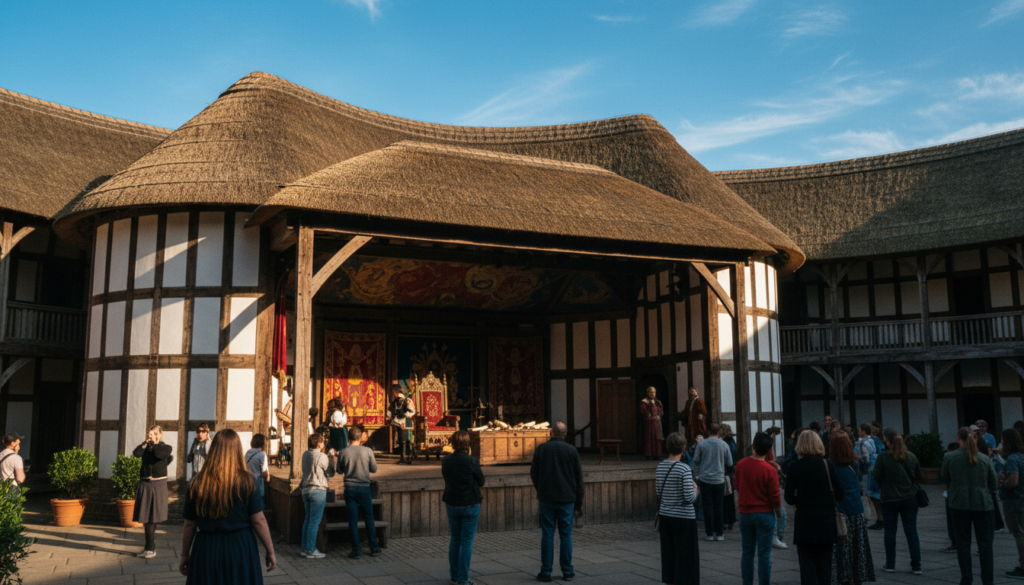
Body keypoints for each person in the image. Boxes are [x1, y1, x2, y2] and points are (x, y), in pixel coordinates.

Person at [179, 429, 277, 583]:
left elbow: (189, 524)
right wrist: (270, 551)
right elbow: (259, 520)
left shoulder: (198, 483)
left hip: (206, 548)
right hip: (240, 547)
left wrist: (185, 555)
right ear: (237, 450)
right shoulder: (247, 482)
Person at [785, 430, 843, 585]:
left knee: (807, 567)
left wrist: (802, 499)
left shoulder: (795, 467)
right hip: (826, 520)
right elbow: (840, 494)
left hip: (805, 520)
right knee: (825, 566)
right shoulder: (827, 464)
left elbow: (789, 498)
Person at [942, 426, 998, 585]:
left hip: (959, 503)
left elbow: (944, 477)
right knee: (985, 544)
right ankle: (988, 580)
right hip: (983, 503)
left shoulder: (949, 457)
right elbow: (993, 485)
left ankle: (966, 579)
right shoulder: (985, 459)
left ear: (958, 438)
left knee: (963, 543)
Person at [530, 422, 583, 582]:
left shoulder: (542, 449)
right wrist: (578, 502)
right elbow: (578, 478)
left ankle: (546, 572)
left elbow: (534, 472)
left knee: (547, 534)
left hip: (547, 498)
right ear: (565, 434)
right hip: (567, 499)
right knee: (566, 535)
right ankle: (567, 571)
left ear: (551, 432)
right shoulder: (572, 450)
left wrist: (541, 489)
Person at [872, 428, 922, 575]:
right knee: (911, 531)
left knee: (890, 531)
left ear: (888, 441)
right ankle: (916, 565)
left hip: (889, 498)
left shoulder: (883, 458)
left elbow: (876, 477)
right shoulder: (911, 456)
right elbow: (918, 475)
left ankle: (890, 564)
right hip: (910, 497)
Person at [829, 432, 876, 585]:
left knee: (843, 548)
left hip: (840, 511)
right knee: (857, 547)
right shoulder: (854, 464)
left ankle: (844, 577)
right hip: (856, 510)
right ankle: (858, 575)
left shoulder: (830, 466)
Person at [735, 431, 781, 585]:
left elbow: (737, 486)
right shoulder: (770, 470)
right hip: (765, 514)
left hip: (745, 512)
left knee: (747, 553)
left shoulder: (741, 464)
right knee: (764, 555)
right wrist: (779, 512)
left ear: (753, 445)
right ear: (769, 450)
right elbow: (775, 496)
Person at [442, 430, 485, 585]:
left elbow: (446, 477)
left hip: (452, 503)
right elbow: (481, 481)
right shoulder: (472, 461)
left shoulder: (446, 461)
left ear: (452, 443)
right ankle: (463, 579)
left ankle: (454, 576)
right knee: (466, 541)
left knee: (455, 539)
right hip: (470, 503)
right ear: (467, 444)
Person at [656, 432, 700, 585]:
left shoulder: (660, 466)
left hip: (665, 515)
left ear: (668, 447)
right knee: (686, 556)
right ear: (683, 448)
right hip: (683, 517)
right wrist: (696, 490)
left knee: (669, 554)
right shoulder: (684, 469)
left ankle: (670, 581)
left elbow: (658, 492)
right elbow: (689, 498)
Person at [338, 426, 382, 559]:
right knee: (369, 518)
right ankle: (374, 547)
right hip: (364, 487)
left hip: (350, 487)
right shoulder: (368, 451)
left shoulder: (343, 452)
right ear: (360, 438)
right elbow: (374, 469)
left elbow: (339, 471)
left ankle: (356, 550)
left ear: (349, 437)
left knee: (352, 520)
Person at [133, 425, 173, 558]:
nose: (151, 436)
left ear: (160, 434)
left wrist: (155, 443)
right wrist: (145, 443)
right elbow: (136, 454)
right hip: (145, 483)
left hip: (158, 484)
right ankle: (149, 548)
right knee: (146, 517)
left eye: (155, 433)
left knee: (152, 517)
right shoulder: (146, 448)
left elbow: (159, 454)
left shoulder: (166, 447)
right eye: (150, 434)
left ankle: (150, 549)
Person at [693, 422, 733, 541]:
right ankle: (720, 533)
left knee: (707, 507)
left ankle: (709, 534)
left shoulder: (702, 444)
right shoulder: (724, 445)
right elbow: (730, 462)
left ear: (708, 431)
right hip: (719, 480)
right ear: (719, 431)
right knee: (719, 507)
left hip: (705, 479)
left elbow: (695, 460)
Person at [299, 433, 336, 558]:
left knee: (308, 519)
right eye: (323, 442)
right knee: (314, 521)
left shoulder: (305, 454)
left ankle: (304, 548)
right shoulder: (322, 456)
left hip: (305, 489)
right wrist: (331, 457)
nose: (324, 444)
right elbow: (330, 472)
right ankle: (310, 549)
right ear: (319, 443)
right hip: (318, 489)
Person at [999, 428, 1024, 580]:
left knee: (1019, 533)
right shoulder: (1022, 456)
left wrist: (1003, 482)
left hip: (1014, 501)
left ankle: (1023, 566)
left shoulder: (1012, 459)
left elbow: (1013, 481)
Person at [765, 426, 789, 549]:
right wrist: (777, 466)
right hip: (770, 472)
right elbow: (768, 460)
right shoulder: (768, 442)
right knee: (781, 514)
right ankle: (777, 537)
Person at [855, 423, 882, 530]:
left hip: (866, 473)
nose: (858, 431)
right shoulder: (874, 440)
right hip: (875, 470)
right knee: (875, 496)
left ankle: (870, 517)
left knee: (867, 495)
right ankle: (880, 518)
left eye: (859, 430)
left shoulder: (862, 443)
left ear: (862, 431)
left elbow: (864, 459)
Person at [386, 384, 415, 465]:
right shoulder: (395, 401)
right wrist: (388, 416)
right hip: (397, 421)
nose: (393, 394)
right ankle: (403, 457)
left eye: (393, 392)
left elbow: (411, 412)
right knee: (400, 438)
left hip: (405, 421)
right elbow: (390, 409)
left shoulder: (406, 400)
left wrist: (405, 421)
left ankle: (405, 457)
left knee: (404, 439)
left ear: (396, 392)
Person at [941, 441, 961, 554]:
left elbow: (944, 477)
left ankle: (955, 543)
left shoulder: (950, 458)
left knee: (952, 520)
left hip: (953, 492)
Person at [721, 423, 739, 530]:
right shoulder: (732, 442)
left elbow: (729, 462)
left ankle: (727, 520)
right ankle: (730, 520)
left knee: (726, 497)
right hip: (730, 473)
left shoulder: (726, 444)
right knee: (729, 497)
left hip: (727, 473)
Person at [244, 434, 270, 505]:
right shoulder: (262, 454)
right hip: (257, 487)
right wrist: (268, 476)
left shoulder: (247, 453)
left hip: (248, 485)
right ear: (263, 443)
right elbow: (264, 473)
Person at [640, 386, 664, 459]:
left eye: (653, 392)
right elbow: (643, 411)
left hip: (656, 422)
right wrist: (648, 414)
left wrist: (659, 414)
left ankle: (657, 454)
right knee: (649, 437)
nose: (652, 393)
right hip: (649, 423)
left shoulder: (657, 402)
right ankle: (649, 454)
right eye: (650, 392)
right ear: (648, 393)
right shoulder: (645, 402)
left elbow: (661, 410)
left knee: (657, 437)